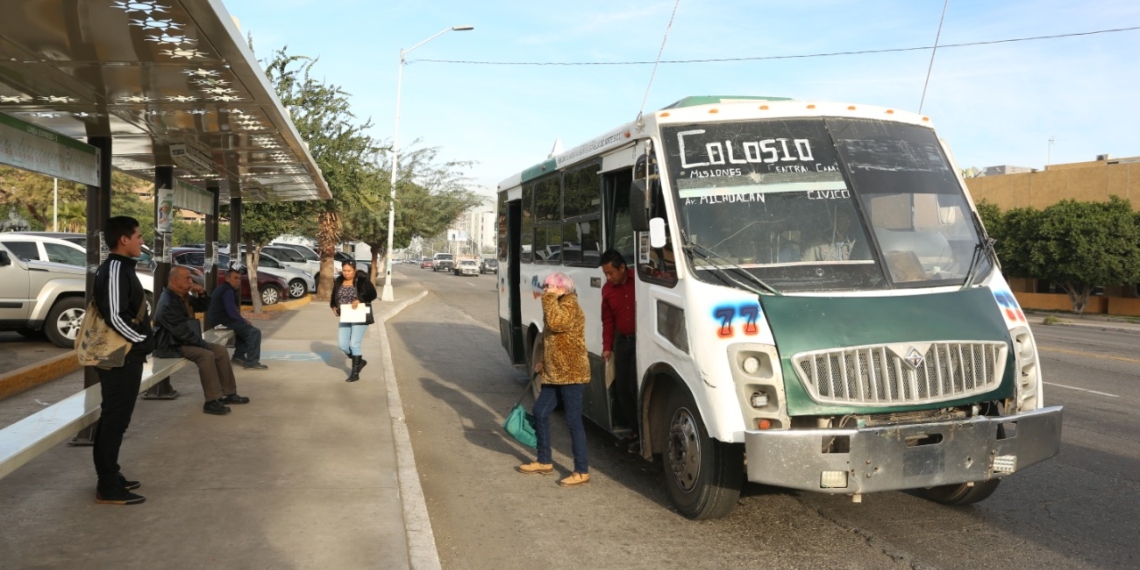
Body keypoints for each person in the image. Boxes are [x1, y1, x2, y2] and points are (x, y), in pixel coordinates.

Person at [91, 216, 154, 505]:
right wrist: (140, 340)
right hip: (121, 357)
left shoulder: (120, 267)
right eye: (139, 235)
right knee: (114, 421)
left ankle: (111, 475)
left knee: (115, 419)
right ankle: (107, 485)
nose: (143, 240)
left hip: (125, 356)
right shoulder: (115, 268)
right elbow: (114, 314)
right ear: (124, 240)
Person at [516, 272, 592, 487]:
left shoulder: (570, 305)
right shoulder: (557, 304)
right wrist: (544, 363)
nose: (545, 289)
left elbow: (557, 324)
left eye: (549, 286)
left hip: (572, 373)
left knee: (573, 421)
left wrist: (548, 299)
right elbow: (554, 340)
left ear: (562, 288)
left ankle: (581, 470)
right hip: (554, 373)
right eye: (545, 286)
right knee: (540, 412)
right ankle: (544, 460)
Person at [154, 266, 251, 415]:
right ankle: (211, 401)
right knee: (206, 355)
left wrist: (201, 293)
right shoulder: (167, 301)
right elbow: (181, 333)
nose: (190, 281)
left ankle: (229, 392)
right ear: (174, 281)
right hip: (170, 344)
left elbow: (204, 306)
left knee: (220, 350)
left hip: (182, 340)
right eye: (187, 278)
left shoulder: (182, 296)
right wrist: (203, 344)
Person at [600, 249, 639, 450]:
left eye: (611, 273)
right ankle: (635, 432)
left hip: (642, 343)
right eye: (605, 274)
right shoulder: (607, 290)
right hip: (622, 343)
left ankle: (643, 433)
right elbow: (607, 321)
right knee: (622, 389)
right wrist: (607, 347)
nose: (608, 277)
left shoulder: (640, 280)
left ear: (622, 268)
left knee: (634, 387)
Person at [206, 268, 268, 370]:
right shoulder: (228, 291)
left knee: (244, 329)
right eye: (235, 278)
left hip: (220, 321)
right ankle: (252, 362)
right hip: (221, 322)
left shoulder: (224, 289)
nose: (238, 280)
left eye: (239, 278)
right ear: (227, 279)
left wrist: (242, 321)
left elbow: (232, 312)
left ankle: (238, 356)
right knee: (255, 332)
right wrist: (243, 320)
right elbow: (232, 312)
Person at [329, 260, 377, 382]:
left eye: (349, 271)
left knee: (354, 344)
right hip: (345, 315)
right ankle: (359, 361)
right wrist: (333, 306)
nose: (346, 273)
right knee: (342, 345)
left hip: (360, 315)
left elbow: (372, 294)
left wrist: (360, 299)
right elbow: (334, 295)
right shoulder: (339, 280)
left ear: (354, 270)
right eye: (344, 270)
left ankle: (355, 373)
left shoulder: (362, 280)